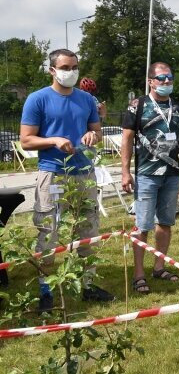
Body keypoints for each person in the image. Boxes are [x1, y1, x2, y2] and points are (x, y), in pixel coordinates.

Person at [20, 48, 115, 313]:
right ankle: (46, 290)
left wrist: (91, 136)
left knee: (89, 229)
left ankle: (88, 285)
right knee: (48, 231)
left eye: (74, 67)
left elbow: (96, 131)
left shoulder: (85, 99)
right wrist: (53, 140)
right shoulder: (37, 99)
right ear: (52, 70)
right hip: (53, 172)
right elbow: (26, 139)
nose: (71, 72)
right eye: (65, 67)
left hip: (83, 172)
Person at [120, 62, 179, 294]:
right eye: (161, 78)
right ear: (150, 81)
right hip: (146, 175)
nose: (166, 82)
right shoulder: (138, 106)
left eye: (169, 78)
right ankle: (139, 274)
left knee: (165, 222)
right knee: (142, 225)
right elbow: (126, 139)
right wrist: (125, 171)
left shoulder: (178, 108)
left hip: (171, 175)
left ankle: (159, 266)